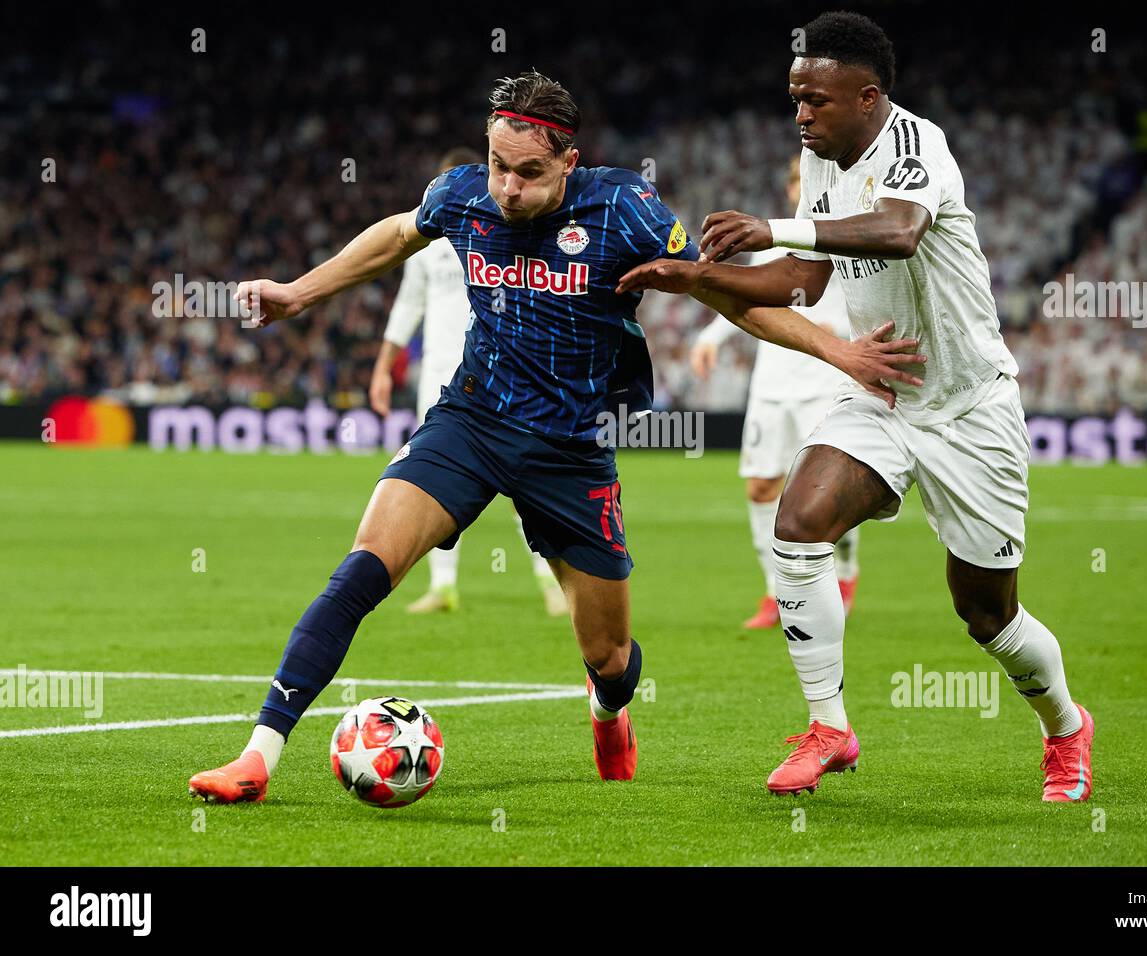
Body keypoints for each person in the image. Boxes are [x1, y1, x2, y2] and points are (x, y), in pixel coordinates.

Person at [189, 70, 907, 802]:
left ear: (568, 162)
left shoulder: (624, 207)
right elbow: (398, 235)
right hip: (469, 423)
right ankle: (258, 755)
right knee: (359, 574)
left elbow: (724, 294)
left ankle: (609, 711)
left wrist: (838, 350)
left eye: (529, 173)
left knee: (610, 657)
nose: (507, 187)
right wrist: (298, 292)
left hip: (572, 450)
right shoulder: (463, 193)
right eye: (499, 165)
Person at [618, 11, 1094, 801]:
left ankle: (1065, 727)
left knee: (986, 615)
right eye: (795, 99)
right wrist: (693, 277)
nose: (801, 116)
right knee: (797, 521)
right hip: (884, 393)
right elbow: (803, 283)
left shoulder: (917, 147)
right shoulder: (822, 161)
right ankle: (831, 727)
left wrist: (770, 225)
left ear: (868, 98)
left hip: (972, 408)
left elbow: (898, 233)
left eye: (817, 101)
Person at [370, 146, 569, 616]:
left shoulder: (501, 231)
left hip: (497, 369)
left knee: (525, 480)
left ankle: (551, 580)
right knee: (435, 481)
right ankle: (443, 587)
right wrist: (383, 366)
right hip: (438, 372)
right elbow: (408, 306)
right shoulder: (426, 244)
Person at [689, 155, 859, 629]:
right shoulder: (773, 244)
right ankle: (774, 593)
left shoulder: (849, 240)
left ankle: (844, 570)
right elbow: (747, 297)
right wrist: (710, 336)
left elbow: (864, 310)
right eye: (796, 181)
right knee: (762, 486)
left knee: (828, 495)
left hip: (824, 380)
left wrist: (834, 328)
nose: (802, 187)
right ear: (788, 190)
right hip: (772, 384)